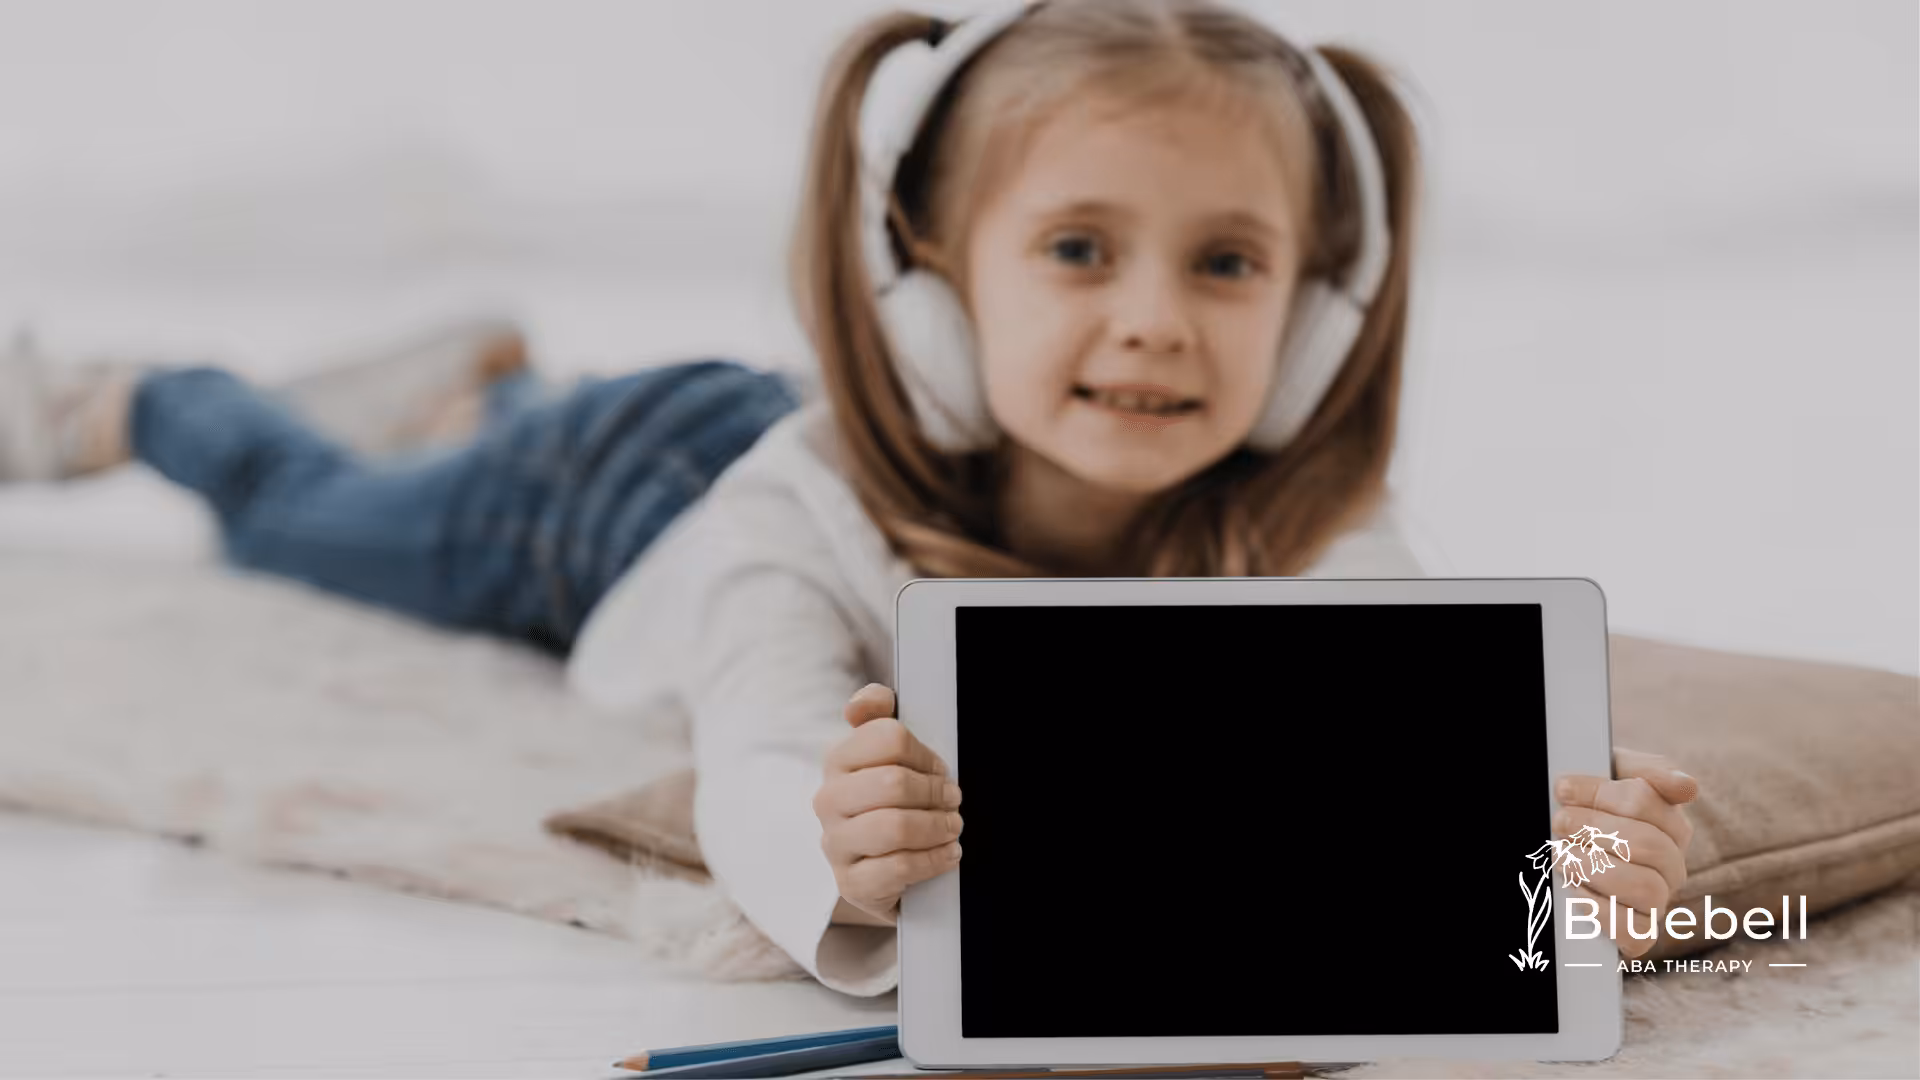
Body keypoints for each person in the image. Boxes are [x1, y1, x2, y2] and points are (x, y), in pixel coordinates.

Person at [0, 0, 1697, 997]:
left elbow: (1423, 744)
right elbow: (758, 750)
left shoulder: (1303, 517)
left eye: (1229, 263)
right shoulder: (795, 517)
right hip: (606, 501)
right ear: (930, 287)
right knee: (300, 520)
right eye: (1079, 248)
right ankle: (151, 397)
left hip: (702, 434)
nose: (1156, 319)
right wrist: (840, 856)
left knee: (419, 454)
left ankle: (481, 382)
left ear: (1317, 320)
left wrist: (1571, 871)